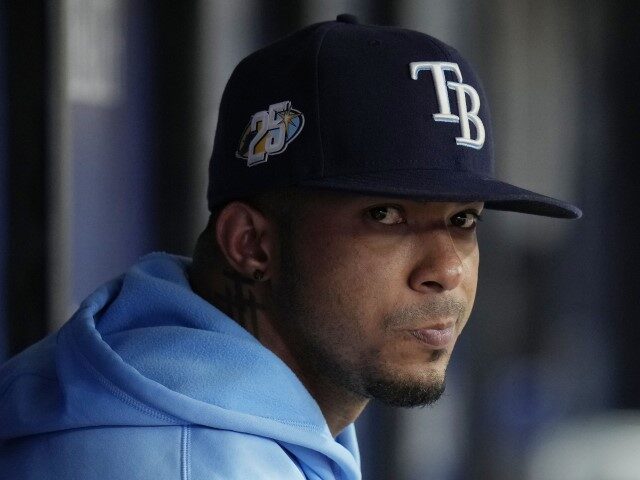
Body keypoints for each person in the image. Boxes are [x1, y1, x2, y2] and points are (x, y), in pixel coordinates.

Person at [0, 14, 581, 480]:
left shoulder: (194, 411)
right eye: (386, 215)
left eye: (462, 220)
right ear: (252, 244)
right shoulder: (194, 461)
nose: (447, 270)